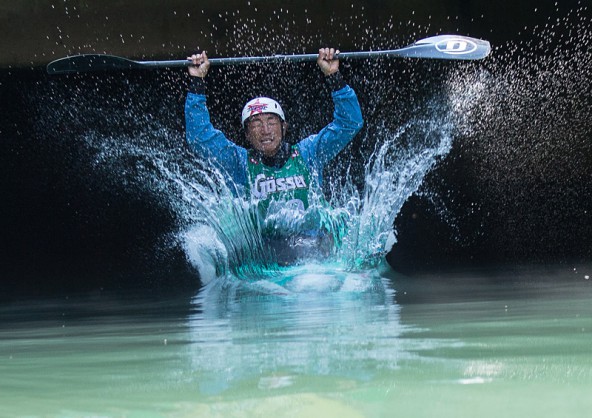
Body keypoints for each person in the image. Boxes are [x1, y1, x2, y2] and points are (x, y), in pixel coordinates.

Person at [184, 48, 363, 268]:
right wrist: (197, 82)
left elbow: (349, 123)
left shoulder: (309, 153)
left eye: (271, 121)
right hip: (272, 254)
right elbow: (199, 137)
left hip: (317, 244)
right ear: (247, 134)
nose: (265, 130)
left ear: (284, 127)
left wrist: (333, 76)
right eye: (256, 124)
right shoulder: (239, 163)